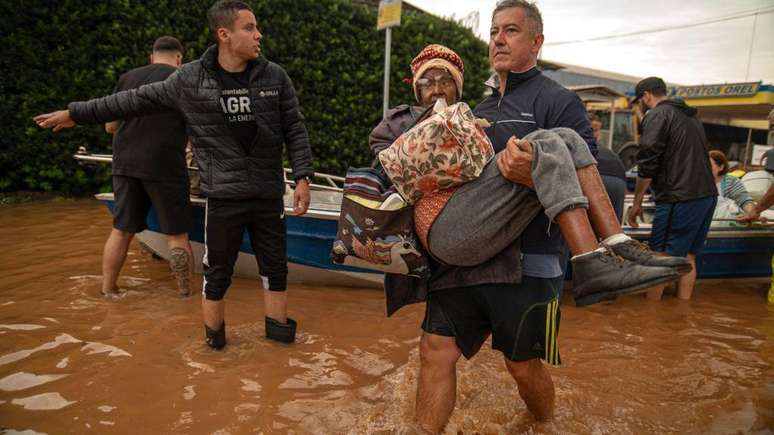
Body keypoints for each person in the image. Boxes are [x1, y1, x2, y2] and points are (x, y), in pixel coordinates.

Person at [382, 3, 681, 432]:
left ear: (536, 42)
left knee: (523, 366)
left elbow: (588, 170)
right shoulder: (478, 106)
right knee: (434, 351)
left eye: (511, 31)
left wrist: (531, 174)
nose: (498, 40)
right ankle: (604, 253)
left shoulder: (558, 99)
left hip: (528, 262)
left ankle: (544, 425)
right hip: (463, 262)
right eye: (494, 32)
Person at [33, 0, 314, 348]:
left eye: (256, 27)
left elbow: (295, 128)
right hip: (223, 196)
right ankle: (215, 353)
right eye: (249, 27)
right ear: (224, 34)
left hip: (269, 193)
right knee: (216, 276)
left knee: (276, 272)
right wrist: (75, 113)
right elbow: (129, 101)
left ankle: (278, 351)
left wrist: (303, 176)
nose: (259, 35)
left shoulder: (275, 76)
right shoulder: (189, 79)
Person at [97, 36, 194, 298]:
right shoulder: (184, 81)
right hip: (166, 166)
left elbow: (110, 126)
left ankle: (108, 291)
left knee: (121, 231)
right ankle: (185, 295)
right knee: (177, 235)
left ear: (151, 57)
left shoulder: (128, 78)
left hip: (126, 163)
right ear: (179, 59)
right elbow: (197, 132)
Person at [627, 76, 718, 301]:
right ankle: (681, 313)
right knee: (688, 256)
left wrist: (637, 203)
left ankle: (650, 320)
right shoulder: (691, 116)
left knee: (660, 255)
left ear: (646, 96)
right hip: (707, 194)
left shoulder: (656, 114)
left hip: (679, 196)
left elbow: (648, 161)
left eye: (640, 101)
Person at [589, 113, 627, 221]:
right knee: (614, 228)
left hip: (599, 177)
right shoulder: (609, 152)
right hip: (618, 181)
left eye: (597, 130)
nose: (595, 134)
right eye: (592, 130)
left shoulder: (581, 148)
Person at [708, 150, 758, 221]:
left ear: (721, 167)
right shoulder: (697, 181)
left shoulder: (731, 181)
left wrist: (752, 213)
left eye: (709, 165)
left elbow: (743, 199)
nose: (705, 169)